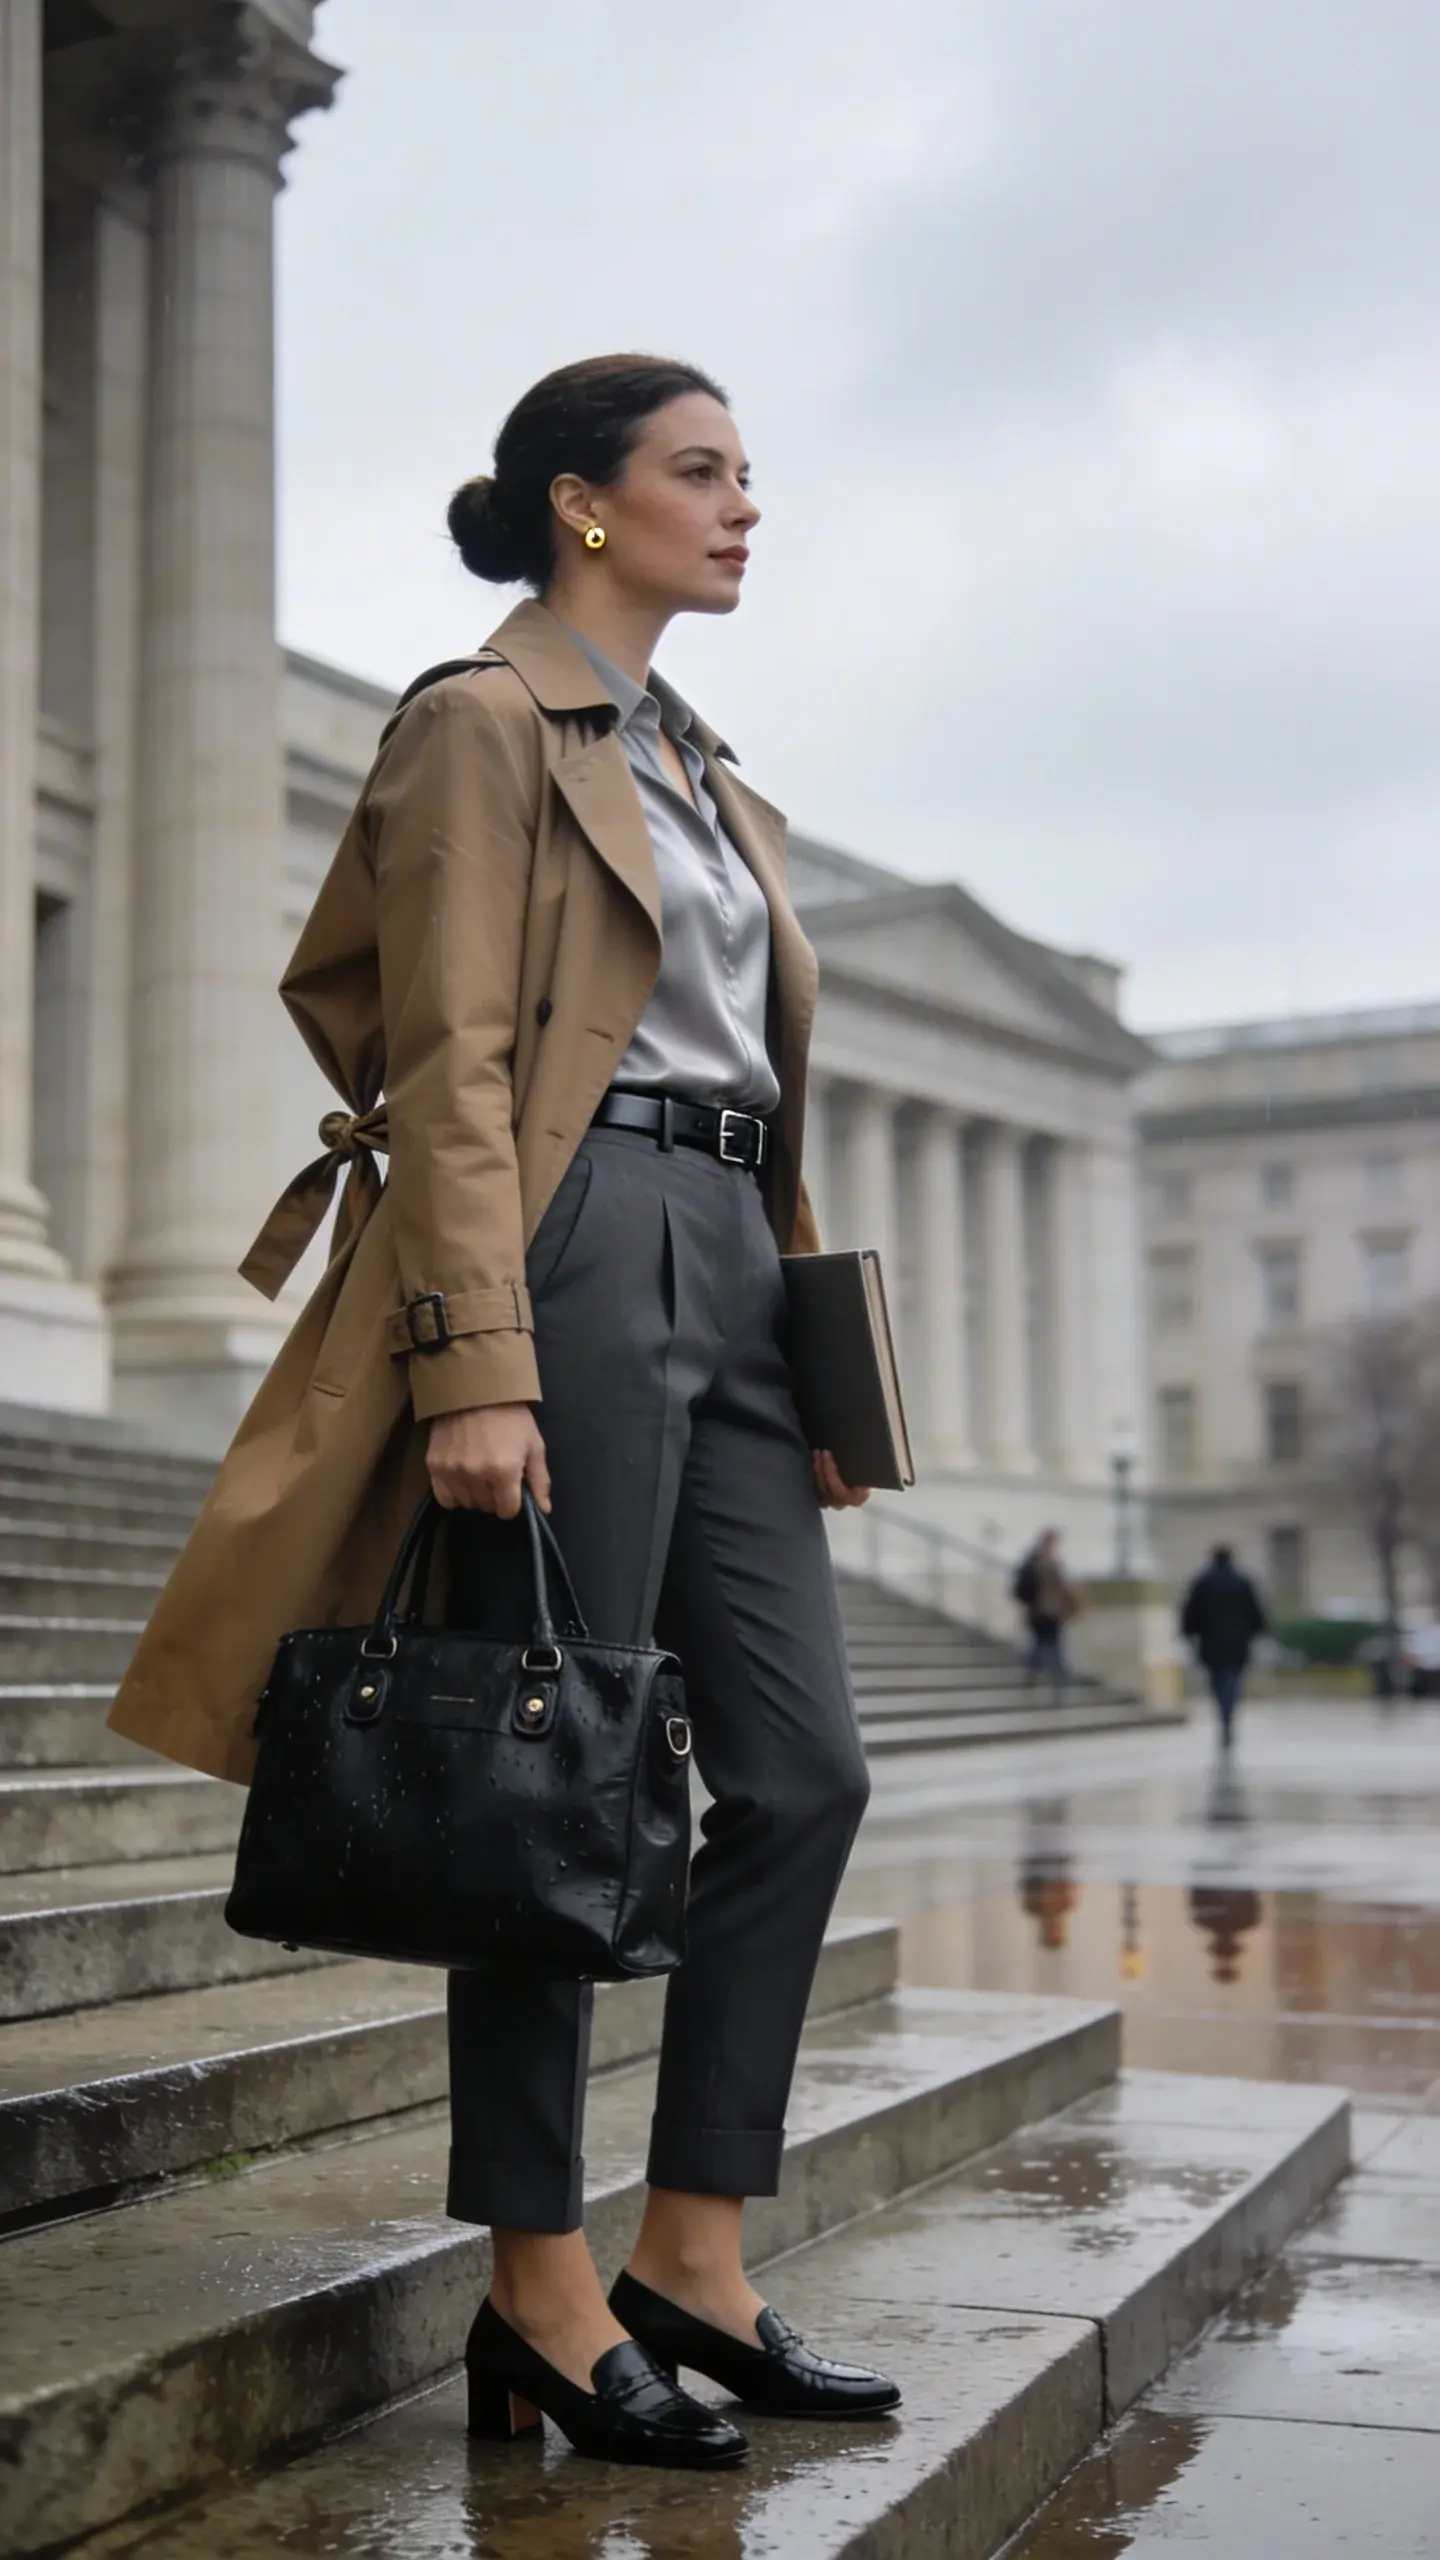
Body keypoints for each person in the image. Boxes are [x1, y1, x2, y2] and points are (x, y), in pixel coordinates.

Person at [107, 354, 900, 2471]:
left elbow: (760, 1091)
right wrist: (478, 1357)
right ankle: (541, 2283)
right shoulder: (482, 721)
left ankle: (695, 2255)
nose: (744, 505)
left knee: (805, 1773)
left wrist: (818, 1370)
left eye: (749, 472)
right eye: (702, 471)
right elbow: (450, 1057)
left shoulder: (711, 771)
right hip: (573, 1240)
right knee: (550, 1783)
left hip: (733, 1259)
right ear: (583, 502)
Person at [1179, 1544, 1268, 1747]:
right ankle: (1228, 1714)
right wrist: (1258, 1631)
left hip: (1210, 1641)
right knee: (1233, 1679)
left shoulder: (1203, 1582)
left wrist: (1189, 1632)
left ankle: (1223, 1712)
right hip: (1238, 1642)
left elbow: (1191, 1612)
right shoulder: (1242, 1582)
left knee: (1217, 1680)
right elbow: (1255, 1612)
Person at [1013, 1529, 1081, 1701]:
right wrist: (1076, 1602)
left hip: (1035, 1613)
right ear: (1050, 1543)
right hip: (1050, 1613)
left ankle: (1032, 1673)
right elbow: (1063, 1587)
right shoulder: (1050, 1563)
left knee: (1040, 1644)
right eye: (1055, 1543)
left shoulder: (1032, 1560)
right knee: (1054, 1648)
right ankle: (1059, 1682)